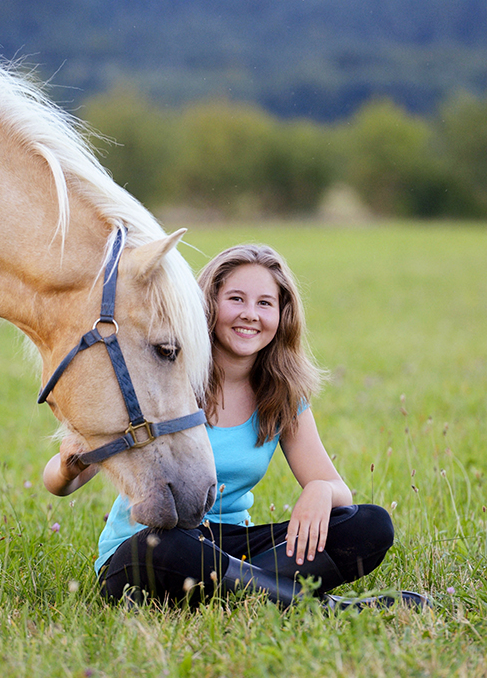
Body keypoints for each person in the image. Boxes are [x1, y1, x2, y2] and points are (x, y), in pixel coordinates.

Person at [43, 243, 427, 609]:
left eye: (265, 303)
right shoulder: (163, 380)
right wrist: (66, 467)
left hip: (231, 548)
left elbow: (336, 488)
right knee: (169, 545)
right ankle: (321, 607)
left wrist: (321, 491)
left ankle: (232, 589)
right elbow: (60, 484)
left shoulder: (282, 395)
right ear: (208, 305)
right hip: (148, 549)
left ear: (282, 316)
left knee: (370, 525)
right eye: (236, 299)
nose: (250, 314)